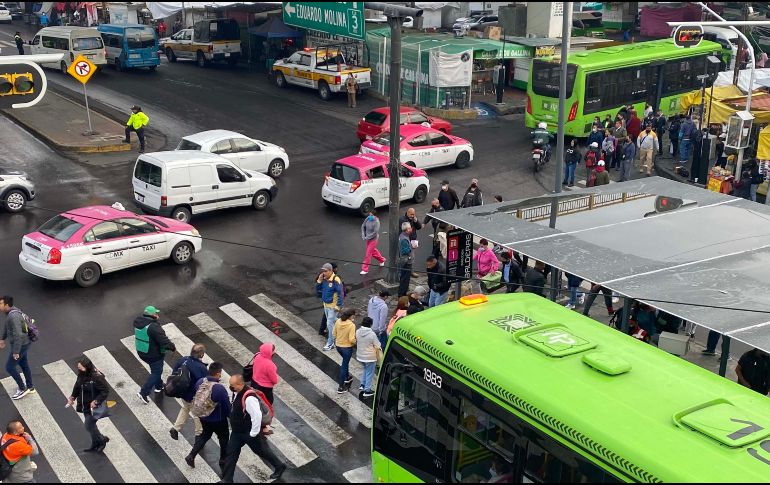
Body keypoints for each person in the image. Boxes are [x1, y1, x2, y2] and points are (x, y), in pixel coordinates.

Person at [220, 375, 286, 482]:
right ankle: (227, 480)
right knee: (231, 453)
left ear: (240, 384)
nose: (230, 387)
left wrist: (253, 433)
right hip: (237, 432)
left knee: (262, 451)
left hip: (248, 432)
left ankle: (279, 466)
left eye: (232, 385)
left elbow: (257, 416)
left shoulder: (249, 398)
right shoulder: (237, 393)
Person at [186, 362, 230, 470]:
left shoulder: (200, 382)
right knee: (223, 437)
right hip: (218, 419)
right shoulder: (219, 388)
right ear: (218, 374)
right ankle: (223, 459)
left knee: (205, 435)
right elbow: (226, 406)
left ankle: (191, 455)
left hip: (203, 417)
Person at [67, 356, 110, 453]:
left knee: (89, 425)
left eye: (81, 368)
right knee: (91, 426)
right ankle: (96, 442)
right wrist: (72, 397)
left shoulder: (96, 377)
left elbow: (105, 391)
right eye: (79, 367)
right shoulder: (82, 374)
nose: (79, 369)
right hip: (85, 404)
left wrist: (96, 401)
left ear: (87, 367)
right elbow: (77, 385)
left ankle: (101, 440)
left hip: (93, 406)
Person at [134, 305, 176, 404]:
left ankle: (159, 386)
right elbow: (164, 341)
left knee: (156, 370)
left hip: (142, 351)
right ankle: (143, 392)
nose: (157, 315)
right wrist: (172, 347)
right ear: (152, 315)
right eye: (156, 313)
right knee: (156, 372)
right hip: (153, 354)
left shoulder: (138, 322)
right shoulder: (153, 327)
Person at [169, 344, 208, 441]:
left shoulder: (183, 360)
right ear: (201, 354)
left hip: (182, 393)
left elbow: (174, 373)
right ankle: (199, 434)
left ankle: (175, 428)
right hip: (193, 396)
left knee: (185, 408)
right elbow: (204, 384)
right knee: (197, 414)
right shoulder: (201, 367)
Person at [0, 296, 35, 400]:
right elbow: (7, 326)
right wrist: (2, 338)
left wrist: (16, 352)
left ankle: (22, 388)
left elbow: (18, 335)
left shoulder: (13, 316)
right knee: (24, 364)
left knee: (9, 367)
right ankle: (30, 387)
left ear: (6, 305)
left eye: (1, 304)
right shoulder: (10, 312)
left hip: (21, 345)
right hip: (23, 343)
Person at [317, 263, 344, 351]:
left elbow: (341, 294)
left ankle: (330, 343)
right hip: (326, 304)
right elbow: (318, 290)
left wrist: (338, 305)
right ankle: (346, 324)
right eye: (323, 271)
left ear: (331, 271)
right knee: (333, 320)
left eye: (326, 271)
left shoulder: (336, 280)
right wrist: (319, 281)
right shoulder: (324, 279)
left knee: (329, 324)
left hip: (333, 306)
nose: (324, 273)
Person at [332, 308, 356, 393]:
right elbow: (351, 339)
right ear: (350, 316)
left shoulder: (338, 321)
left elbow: (334, 334)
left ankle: (347, 377)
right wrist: (356, 342)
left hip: (338, 346)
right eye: (353, 315)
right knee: (344, 365)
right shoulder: (351, 325)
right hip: (347, 348)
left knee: (345, 362)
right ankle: (341, 387)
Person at [355, 317, 380, 398]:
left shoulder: (358, 331)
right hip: (370, 357)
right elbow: (377, 345)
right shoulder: (372, 334)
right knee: (370, 373)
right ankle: (367, 390)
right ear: (370, 324)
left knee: (366, 369)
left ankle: (362, 384)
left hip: (360, 355)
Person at [360, 209, 386, 275]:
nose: (370, 216)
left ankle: (365, 269)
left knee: (368, 254)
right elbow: (363, 226)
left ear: (375, 216)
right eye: (369, 214)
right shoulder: (368, 218)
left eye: (371, 215)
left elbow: (375, 232)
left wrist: (367, 237)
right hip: (368, 239)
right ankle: (382, 260)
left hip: (373, 240)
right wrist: (363, 235)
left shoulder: (376, 222)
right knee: (373, 251)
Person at [397, 222, 415, 297]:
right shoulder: (404, 239)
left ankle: (402, 293)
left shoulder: (403, 236)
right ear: (407, 230)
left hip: (406, 261)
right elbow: (405, 251)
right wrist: (412, 247)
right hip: (407, 262)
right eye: (410, 228)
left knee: (404, 278)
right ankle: (402, 294)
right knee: (405, 279)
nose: (411, 229)